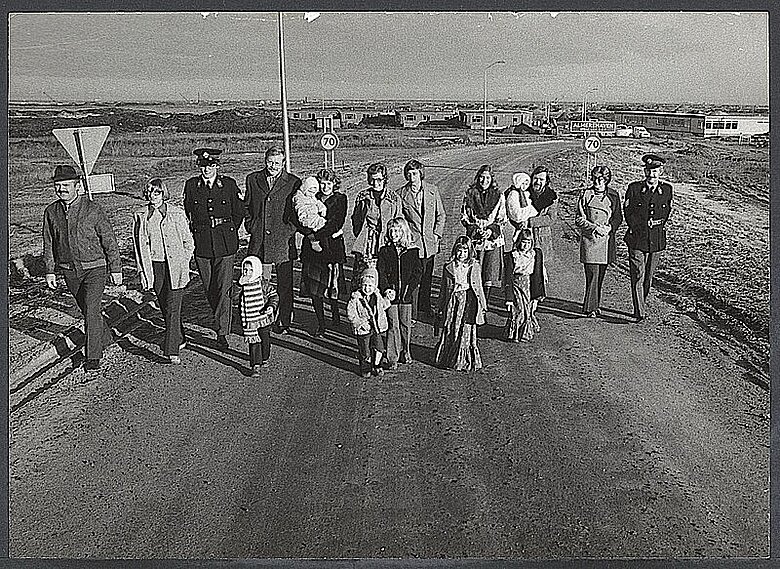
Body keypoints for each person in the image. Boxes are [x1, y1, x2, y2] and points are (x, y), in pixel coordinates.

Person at [43, 164, 122, 372]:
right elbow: (49, 242)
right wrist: (50, 270)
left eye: (66, 185)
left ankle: (93, 356)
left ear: (77, 186)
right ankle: (106, 338)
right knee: (88, 310)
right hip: (69, 271)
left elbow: (109, 239)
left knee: (92, 308)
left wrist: (116, 268)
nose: (62, 189)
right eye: (58, 185)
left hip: (95, 268)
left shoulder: (92, 209)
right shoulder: (51, 211)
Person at [183, 148, 245, 349]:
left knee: (224, 287)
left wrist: (227, 228)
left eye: (211, 165)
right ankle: (223, 317)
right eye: (203, 165)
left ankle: (222, 331)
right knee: (210, 287)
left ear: (217, 166)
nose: (207, 169)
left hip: (225, 242)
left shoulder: (228, 185)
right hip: (202, 243)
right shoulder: (191, 186)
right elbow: (189, 212)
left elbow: (238, 212)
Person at [132, 178, 194, 364]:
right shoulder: (141, 216)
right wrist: (142, 270)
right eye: (150, 192)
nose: (153, 196)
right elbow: (138, 246)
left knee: (174, 306)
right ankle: (180, 337)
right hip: (155, 266)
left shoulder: (176, 213)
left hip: (176, 266)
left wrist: (184, 260)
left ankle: (171, 349)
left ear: (163, 193)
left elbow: (188, 242)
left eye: (157, 192)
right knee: (165, 305)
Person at [245, 145, 302, 334]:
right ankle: (262, 318)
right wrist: (251, 225)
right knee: (260, 283)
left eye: (277, 163)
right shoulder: (253, 179)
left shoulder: (294, 182)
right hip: (259, 240)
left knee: (285, 284)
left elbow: (297, 209)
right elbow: (247, 205)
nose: (273, 166)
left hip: (283, 241)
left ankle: (284, 319)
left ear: (283, 162)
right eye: (270, 162)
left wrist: (291, 229)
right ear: (265, 161)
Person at [624, 153, 673, 322]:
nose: (652, 174)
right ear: (644, 171)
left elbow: (667, 212)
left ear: (661, 172)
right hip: (637, 237)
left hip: (656, 239)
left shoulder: (666, 189)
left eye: (656, 171)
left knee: (648, 277)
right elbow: (628, 212)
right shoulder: (635, 188)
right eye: (649, 171)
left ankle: (641, 303)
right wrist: (638, 227)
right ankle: (639, 311)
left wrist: (657, 225)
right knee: (638, 273)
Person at [297, 171, 348, 336]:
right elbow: (299, 219)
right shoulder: (310, 197)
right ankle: (321, 323)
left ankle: (335, 315)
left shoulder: (340, 199)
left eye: (329, 183)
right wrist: (310, 236)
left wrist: (315, 237)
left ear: (334, 184)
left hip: (331, 249)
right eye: (323, 183)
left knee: (332, 285)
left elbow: (336, 223)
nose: (325, 187)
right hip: (312, 250)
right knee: (314, 288)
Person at [397, 159, 446, 319]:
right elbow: (399, 219)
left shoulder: (432, 190)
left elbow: (441, 215)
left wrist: (437, 234)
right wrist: (405, 239)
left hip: (430, 243)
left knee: (427, 276)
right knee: (413, 278)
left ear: (421, 174)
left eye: (415, 173)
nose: (412, 177)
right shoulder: (401, 194)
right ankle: (412, 312)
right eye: (409, 174)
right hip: (412, 244)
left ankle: (425, 308)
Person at [575, 165, 624, 318]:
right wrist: (594, 227)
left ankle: (595, 305)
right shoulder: (586, 194)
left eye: (601, 180)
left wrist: (610, 228)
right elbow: (578, 218)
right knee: (592, 274)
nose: (597, 182)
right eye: (595, 179)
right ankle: (589, 308)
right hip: (591, 240)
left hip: (606, 241)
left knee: (600, 275)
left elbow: (618, 217)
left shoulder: (614, 196)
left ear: (607, 180)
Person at [434, 235, 487, 372]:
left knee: (466, 328)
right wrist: (439, 306)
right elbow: (443, 289)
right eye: (459, 250)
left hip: (469, 300)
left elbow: (479, 286)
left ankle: (464, 359)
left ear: (469, 252)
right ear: (454, 250)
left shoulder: (474, 266)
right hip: (453, 300)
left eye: (465, 251)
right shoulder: (449, 267)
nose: (461, 254)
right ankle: (448, 356)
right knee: (452, 327)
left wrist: (482, 305)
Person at [377, 217, 423, 370]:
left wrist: (410, 289)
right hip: (391, 295)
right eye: (391, 230)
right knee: (393, 325)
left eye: (397, 230)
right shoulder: (384, 251)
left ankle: (406, 350)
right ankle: (392, 357)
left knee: (405, 324)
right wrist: (386, 289)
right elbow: (381, 272)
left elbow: (418, 272)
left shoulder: (413, 251)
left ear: (403, 232)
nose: (393, 233)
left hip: (406, 295)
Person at [350, 162, 403, 290]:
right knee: (365, 277)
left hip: (387, 241)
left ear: (385, 179)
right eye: (372, 179)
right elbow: (356, 220)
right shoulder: (363, 196)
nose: (375, 183)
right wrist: (364, 234)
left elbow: (399, 220)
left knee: (385, 275)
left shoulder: (394, 198)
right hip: (368, 243)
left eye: (379, 179)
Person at [461, 164, 506, 307]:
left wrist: (491, 230)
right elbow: (464, 217)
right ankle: (473, 302)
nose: (484, 180)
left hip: (492, 240)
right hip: (475, 240)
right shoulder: (470, 194)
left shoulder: (499, 196)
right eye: (481, 177)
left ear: (492, 179)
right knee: (474, 270)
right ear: (477, 178)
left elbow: (502, 218)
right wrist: (474, 229)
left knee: (489, 272)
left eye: (487, 177)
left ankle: (484, 302)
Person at [346, 267, 394, 378]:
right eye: (365, 285)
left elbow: (383, 306)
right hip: (364, 329)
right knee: (365, 351)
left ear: (375, 286)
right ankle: (365, 368)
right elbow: (350, 313)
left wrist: (388, 299)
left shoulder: (377, 296)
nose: (367, 288)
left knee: (379, 349)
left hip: (376, 327)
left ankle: (377, 365)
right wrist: (360, 323)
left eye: (370, 286)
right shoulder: (356, 298)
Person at [238, 255, 279, 378]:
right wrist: (239, 285)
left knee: (265, 340)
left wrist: (271, 307)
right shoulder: (242, 285)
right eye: (245, 270)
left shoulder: (263, 284)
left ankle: (264, 357)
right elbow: (232, 296)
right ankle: (255, 365)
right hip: (250, 320)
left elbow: (274, 296)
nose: (248, 273)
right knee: (254, 341)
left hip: (263, 318)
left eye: (251, 270)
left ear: (257, 269)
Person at [501, 171, 538, 305]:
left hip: (525, 228)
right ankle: (511, 288)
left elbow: (531, 210)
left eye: (527, 183)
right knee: (515, 257)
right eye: (522, 182)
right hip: (515, 229)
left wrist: (529, 213)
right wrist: (530, 212)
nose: (525, 185)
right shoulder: (513, 194)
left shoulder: (526, 195)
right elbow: (516, 214)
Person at [506, 229, 546, 343]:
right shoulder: (513, 255)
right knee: (519, 309)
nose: (525, 245)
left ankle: (525, 332)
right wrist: (508, 298)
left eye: (528, 243)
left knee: (528, 309)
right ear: (519, 241)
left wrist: (539, 292)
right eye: (523, 242)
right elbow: (508, 276)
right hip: (516, 284)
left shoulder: (534, 254)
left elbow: (538, 271)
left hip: (528, 284)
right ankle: (516, 333)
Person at [527, 165, 558, 293]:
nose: (538, 182)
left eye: (541, 179)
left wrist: (531, 221)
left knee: (539, 269)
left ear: (546, 182)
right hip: (526, 236)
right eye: (536, 178)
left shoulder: (551, 197)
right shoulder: (525, 193)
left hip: (541, 237)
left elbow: (551, 218)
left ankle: (537, 299)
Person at [292, 176, 328, 254]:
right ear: (305, 189)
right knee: (319, 223)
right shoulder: (299, 197)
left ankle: (316, 238)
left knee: (323, 223)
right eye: (309, 191)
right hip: (307, 216)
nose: (311, 194)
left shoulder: (312, 197)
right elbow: (299, 207)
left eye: (313, 192)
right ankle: (314, 242)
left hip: (313, 214)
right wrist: (303, 215)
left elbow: (317, 202)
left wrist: (322, 208)